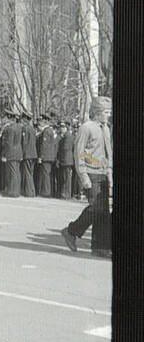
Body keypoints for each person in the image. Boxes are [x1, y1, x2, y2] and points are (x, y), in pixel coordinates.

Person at [61, 97, 112, 255]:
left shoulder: (105, 128)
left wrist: (109, 172)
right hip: (91, 173)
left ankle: (100, 247)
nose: (108, 115)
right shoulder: (86, 128)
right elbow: (79, 153)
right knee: (97, 207)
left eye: (109, 112)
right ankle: (71, 231)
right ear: (96, 112)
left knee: (103, 212)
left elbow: (108, 153)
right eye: (105, 112)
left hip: (103, 173)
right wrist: (83, 176)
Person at [0, 111, 22, 197]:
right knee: (16, 172)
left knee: (12, 173)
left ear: (9, 118)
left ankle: (12, 192)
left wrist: (4, 154)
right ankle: (16, 191)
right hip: (17, 153)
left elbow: (9, 143)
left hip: (11, 153)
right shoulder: (19, 127)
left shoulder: (10, 128)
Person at [37, 115, 58, 197]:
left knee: (45, 174)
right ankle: (46, 191)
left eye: (42, 120)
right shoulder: (50, 130)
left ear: (45, 121)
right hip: (49, 156)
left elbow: (44, 145)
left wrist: (41, 157)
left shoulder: (46, 131)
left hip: (46, 156)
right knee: (46, 174)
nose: (41, 122)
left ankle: (45, 192)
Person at [55, 118, 74, 199]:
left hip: (66, 160)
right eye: (61, 127)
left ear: (66, 128)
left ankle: (66, 194)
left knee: (66, 178)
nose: (61, 129)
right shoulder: (67, 136)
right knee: (66, 178)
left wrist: (60, 160)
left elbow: (64, 149)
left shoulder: (67, 136)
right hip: (67, 160)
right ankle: (66, 193)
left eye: (63, 127)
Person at [20, 112, 37, 197]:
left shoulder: (25, 129)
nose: (22, 121)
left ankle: (29, 192)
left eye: (23, 119)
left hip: (27, 154)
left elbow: (24, 142)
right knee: (30, 173)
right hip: (33, 154)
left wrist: (22, 154)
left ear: (25, 119)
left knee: (27, 173)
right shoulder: (32, 129)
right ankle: (31, 191)